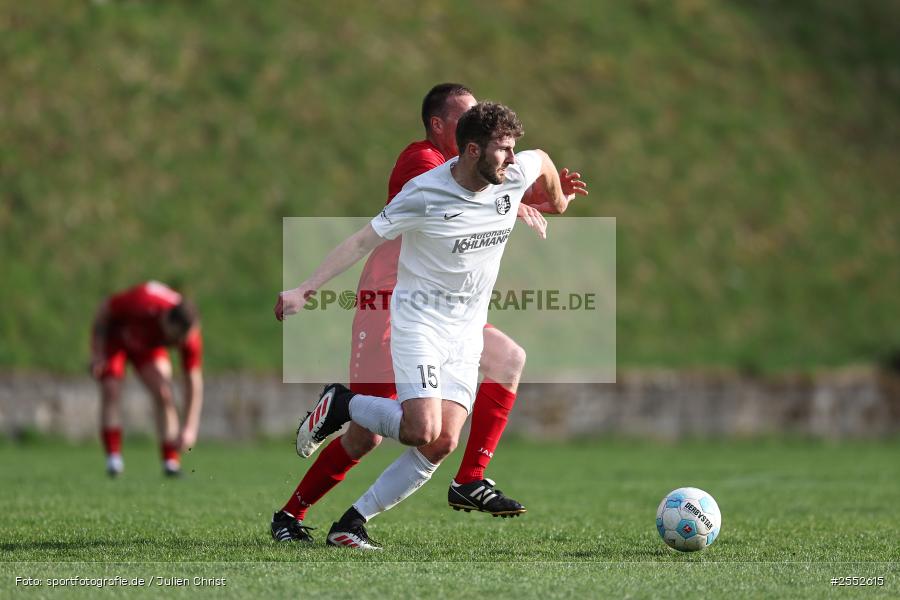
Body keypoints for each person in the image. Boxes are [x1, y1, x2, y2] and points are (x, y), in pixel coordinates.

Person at [269, 84, 587, 544]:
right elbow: (363, 240)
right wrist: (305, 288)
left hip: (465, 327)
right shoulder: (424, 182)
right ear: (467, 143)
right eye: (502, 149)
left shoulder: (513, 170)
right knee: (400, 431)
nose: (513, 160)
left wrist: (554, 201)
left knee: (443, 438)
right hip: (410, 315)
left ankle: (353, 522)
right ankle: (338, 411)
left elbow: (542, 160)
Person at [89, 281, 204, 477]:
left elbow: (193, 381)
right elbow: (103, 311)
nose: (176, 344)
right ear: (167, 319)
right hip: (116, 338)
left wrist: (190, 428)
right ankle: (113, 459)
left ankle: (170, 462)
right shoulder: (141, 301)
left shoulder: (189, 336)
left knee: (164, 392)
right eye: (174, 338)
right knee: (111, 389)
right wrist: (97, 353)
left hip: (148, 347)